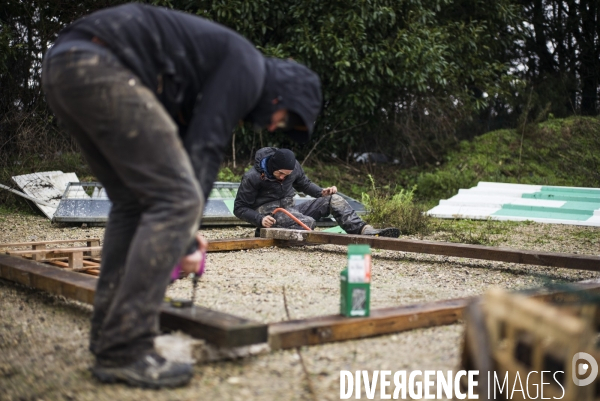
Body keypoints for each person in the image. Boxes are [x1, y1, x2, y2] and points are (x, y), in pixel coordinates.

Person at [41, 3, 321, 388]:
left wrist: (183, 231)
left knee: (132, 202)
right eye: (285, 118)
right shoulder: (248, 66)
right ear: (282, 92)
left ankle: (112, 338)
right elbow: (204, 152)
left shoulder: (206, 72)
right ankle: (126, 346)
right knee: (177, 198)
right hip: (101, 65)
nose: (275, 126)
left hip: (65, 65)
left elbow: (181, 149)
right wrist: (186, 233)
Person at [234, 148, 400, 237]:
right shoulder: (252, 177)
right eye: (280, 174)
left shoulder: (293, 168)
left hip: (291, 209)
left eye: (288, 174)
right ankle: (264, 232)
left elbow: (304, 185)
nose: (284, 178)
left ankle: (363, 231)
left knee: (334, 199)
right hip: (269, 213)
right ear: (272, 167)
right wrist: (260, 220)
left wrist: (322, 193)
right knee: (307, 223)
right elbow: (239, 208)